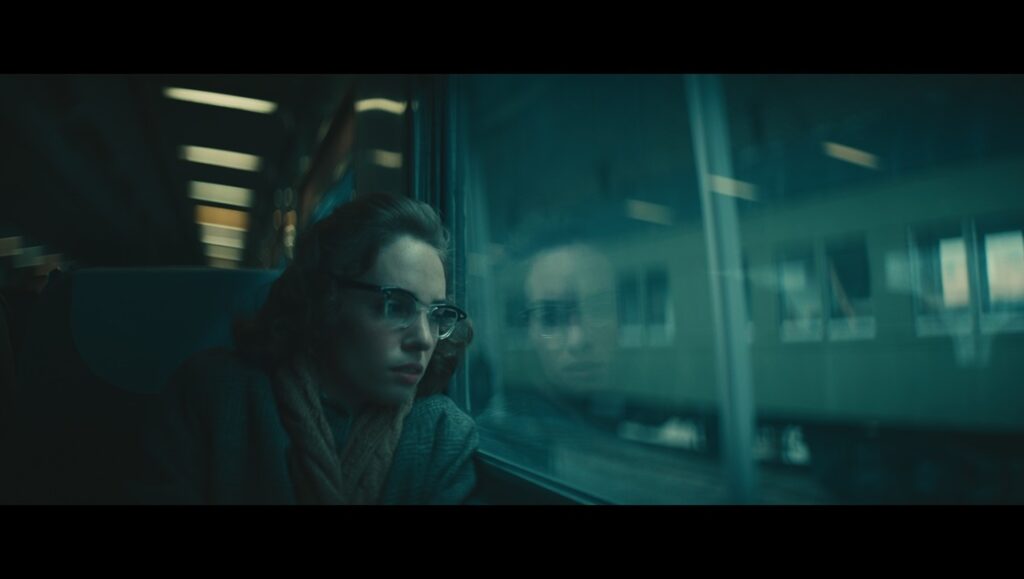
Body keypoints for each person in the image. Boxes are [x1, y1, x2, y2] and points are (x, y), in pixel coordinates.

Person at [131, 193, 478, 504]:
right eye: (395, 306)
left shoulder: (442, 434)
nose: (425, 338)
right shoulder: (215, 393)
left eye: (437, 315)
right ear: (326, 301)